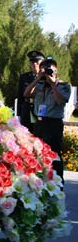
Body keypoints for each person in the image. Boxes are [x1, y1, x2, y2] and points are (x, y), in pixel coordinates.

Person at [23, 56, 71, 185]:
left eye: (49, 70)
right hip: (39, 123)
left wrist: (53, 84)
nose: (47, 73)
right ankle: (40, 180)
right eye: (44, 70)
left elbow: (61, 100)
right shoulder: (39, 85)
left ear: (56, 70)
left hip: (53, 123)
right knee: (37, 152)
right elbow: (26, 94)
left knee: (54, 154)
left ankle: (57, 182)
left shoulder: (63, 86)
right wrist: (38, 78)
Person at [17, 50, 45, 133]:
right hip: (27, 109)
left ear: (42, 63)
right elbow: (20, 96)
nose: (34, 64)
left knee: (40, 135)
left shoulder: (47, 77)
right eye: (32, 62)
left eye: (37, 62)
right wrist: (18, 114)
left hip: (41, 109)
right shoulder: (24, 77)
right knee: (26, 135)